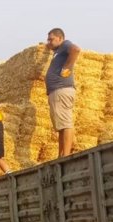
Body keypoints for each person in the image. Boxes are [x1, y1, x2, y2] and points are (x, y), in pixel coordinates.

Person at [45, 27, 81, 158]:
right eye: (48, 39)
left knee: (65, 124)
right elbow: (48, 46)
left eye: (51, 39)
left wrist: (68, 66)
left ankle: (65, 155)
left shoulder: (65, 45)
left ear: (60, 38)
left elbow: (76, 49)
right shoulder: (58, 51)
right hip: (56, 92)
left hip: (61, 90)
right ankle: (61, 155)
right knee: (61, 126)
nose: (49, 42)